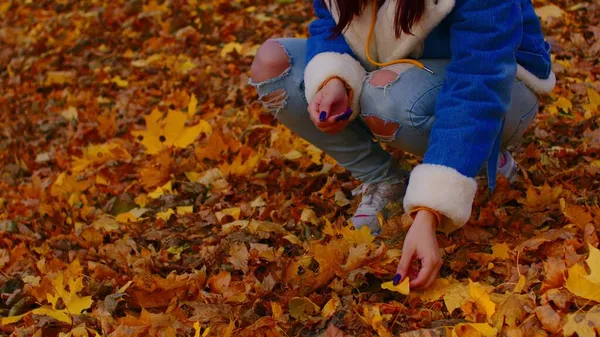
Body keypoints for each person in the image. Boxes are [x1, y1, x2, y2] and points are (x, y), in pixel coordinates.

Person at [249, 0, 555, 290]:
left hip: (506, 87)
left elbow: (479, 84)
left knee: (385, 95)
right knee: (275, 64)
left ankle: (485, 155)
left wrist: (430, 210)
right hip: (403, 71)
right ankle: (386, 182)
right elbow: (331, 23)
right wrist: (333, 80)